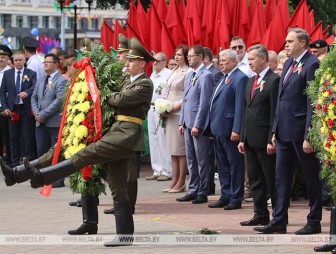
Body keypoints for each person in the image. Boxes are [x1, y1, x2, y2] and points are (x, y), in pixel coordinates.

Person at [0, 37, 156, 247]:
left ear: (142, 63)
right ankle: (125, 235)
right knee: (117, 185)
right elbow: (114, 96)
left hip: (126, 135)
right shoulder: (128, 81)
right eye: (126, 59)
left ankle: (42, 177)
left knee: (86, 154)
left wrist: (110, 95)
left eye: (131, 60)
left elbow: (120, 100)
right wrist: (112, 94)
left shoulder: (145, 83)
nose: (126, 63)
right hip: (117, 131)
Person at [254, 28, 322, 235]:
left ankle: (314, 221)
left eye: (290, 41)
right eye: (286, 41)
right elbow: (281, 100)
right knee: (281, 177)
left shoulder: (312, 64)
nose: (286, 44)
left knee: (311, 177)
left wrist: (309, 135)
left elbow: (312, 102)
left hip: (301, 133)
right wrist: (274, 130)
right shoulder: (290, 63)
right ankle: (279, 220)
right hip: (283, 131)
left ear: (302, 43)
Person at [238, 44, 279, 226]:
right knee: (255, 179)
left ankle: (278, 216)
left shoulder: (274, 80)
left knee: (271, 179)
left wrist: (272, 137)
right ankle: (260, 213)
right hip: (250, 139)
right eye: (248, 60)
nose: (250, 63)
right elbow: (246, 111)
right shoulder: (250, 81)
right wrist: (242, 137)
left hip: (265, 140)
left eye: (252, 59)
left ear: (263, 59)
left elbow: (274, 113)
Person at [204, 49, 247, 210]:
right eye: (220, 61)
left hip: (230, 130)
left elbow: (239, 106)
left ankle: (236, 197)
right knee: (222, 165)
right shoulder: (224, 77)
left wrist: (237, 129)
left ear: (234, 62)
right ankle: (225, 194)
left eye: (224, 61)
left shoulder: (240, 78)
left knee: (234, 165)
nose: (221, 63)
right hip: (218, 128)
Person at [103, 34, 139, 216]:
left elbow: (121, 98)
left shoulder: (137, 79)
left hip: (129, 127)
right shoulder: (123, 75)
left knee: (130, 169)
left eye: (121, 54)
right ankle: (120, 204)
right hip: (118, 124)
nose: (118, 57)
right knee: (119, 168)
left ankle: (129, 205)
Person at [176, 45, 214, 204]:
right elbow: (185, 100)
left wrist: (198, 124)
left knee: (202, 159)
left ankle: (203, 190)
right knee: (191, 158)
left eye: (191, 56)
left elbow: (205, 103)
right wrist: (181, 122)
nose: (188, 58)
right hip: (187, 123)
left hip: (197, 124)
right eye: (188, 56)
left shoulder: (206, 76)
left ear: (200, 57)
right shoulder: (190, 74)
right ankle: (193, 189)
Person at [31, 53, 67, 187]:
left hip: (54, 123)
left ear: (56, 64)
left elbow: (59, 101)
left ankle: (57, 179)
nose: (45, 64)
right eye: (44, 62)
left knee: (55, 152)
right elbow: (33, 97)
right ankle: (43, 178)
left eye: (48, 62)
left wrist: (44, 114)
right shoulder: (41, 79)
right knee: (41, 151)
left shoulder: (62, 80)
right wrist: (37, 113)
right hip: (40, 122)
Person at [162, 45, 192, 193]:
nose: (177, 57)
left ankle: (181, 182)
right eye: (175, 54)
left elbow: (187, 95)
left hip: (179, 113)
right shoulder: (174, 70)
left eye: (180, 54)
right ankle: (174, 181)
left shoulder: (189, 71)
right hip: (169, 112)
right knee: (173, 150)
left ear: (186, 56)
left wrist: (173, 108)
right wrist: (163, 107)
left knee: (180, 150)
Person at [0, 51, 37, 168]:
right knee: (13, 137)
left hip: (25, 109)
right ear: (13, 61)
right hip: (12, 109)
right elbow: (2, 92)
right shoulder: (7, 74)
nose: (18, 62)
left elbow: (34, 87)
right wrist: (5, 107)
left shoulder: (31, 73)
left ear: (24, 61)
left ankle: (28, 162)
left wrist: (27, 92)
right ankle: (14, 163)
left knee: (27, 136)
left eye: (20, 60)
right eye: (16, 60)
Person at [146, 52, 172, 181]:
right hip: (151, 107)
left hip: (161, 107)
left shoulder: (168, 74)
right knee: (154, 139)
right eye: (153, 61)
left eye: (157, 61)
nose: (154, 63)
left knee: (163, 139)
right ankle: (157, 169)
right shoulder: (153, 75)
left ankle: (167, 170)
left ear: (164, 62)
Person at [203, 47, 224, 195]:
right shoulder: (220, 74)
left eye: (223, 61)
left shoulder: (215, 74)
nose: (220, 63)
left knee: (217, 159)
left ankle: (229, 194)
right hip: (214, 123)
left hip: (222, 124)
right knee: (216, 159)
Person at [0, 45, 12, 166]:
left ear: (8, 58)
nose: (0, 59)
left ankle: (8, 159)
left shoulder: (10, 72)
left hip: (6, 108)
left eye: (3, 57)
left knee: (7, 135)